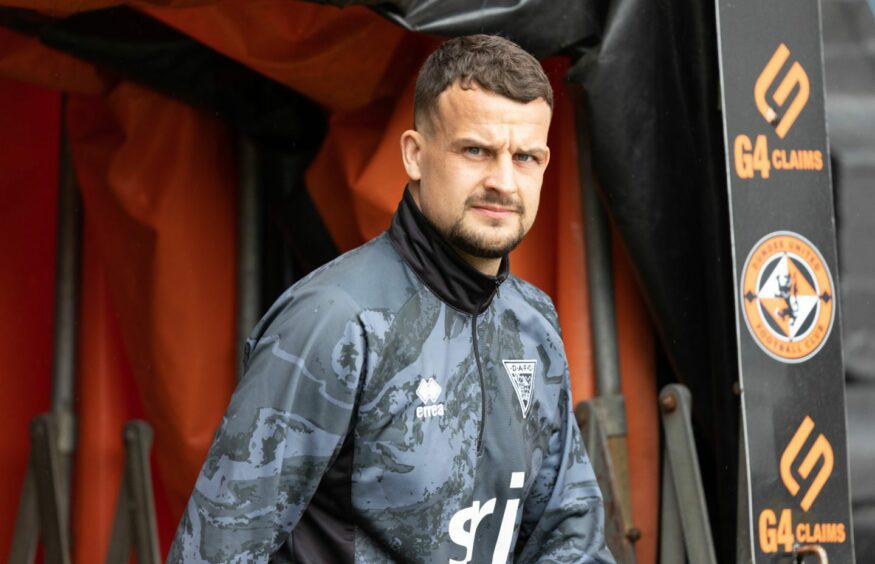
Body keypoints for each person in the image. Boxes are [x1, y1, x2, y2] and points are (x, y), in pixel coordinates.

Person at [169, 34, 614, 563]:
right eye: (476, 150)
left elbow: (568, 536)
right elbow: (219, 548)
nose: (503, 181)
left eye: (525, 157)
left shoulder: (532, 322)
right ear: (415, 155)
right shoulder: (335, 320)